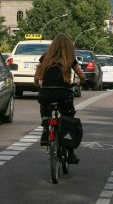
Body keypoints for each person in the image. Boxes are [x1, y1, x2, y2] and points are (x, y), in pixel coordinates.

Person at [34, 34, 85, 164]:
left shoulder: (46, 57)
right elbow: (82, 76)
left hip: (46, 94)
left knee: (44, 105)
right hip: (63, 94)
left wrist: (38, 85)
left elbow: (36, 77)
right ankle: (71, 153)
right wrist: (80, 82)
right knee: (69, 116)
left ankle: (46, 126)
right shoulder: (69, 58)